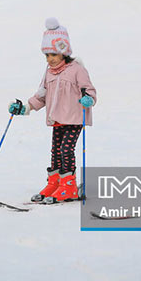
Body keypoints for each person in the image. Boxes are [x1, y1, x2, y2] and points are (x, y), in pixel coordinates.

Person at [9, 18, 97, 204]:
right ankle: (55, 183)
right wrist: (25, 108)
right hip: (57, 119)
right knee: (56, 151)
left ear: (64, 52)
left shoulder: (77, 70)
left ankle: (69, 187)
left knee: (66, 149)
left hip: (73, 118)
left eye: (54, 54)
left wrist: (88, 99)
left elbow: (89, 90)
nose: (50, 59)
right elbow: (42, 95)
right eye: (47, 55)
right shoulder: (49, 72)